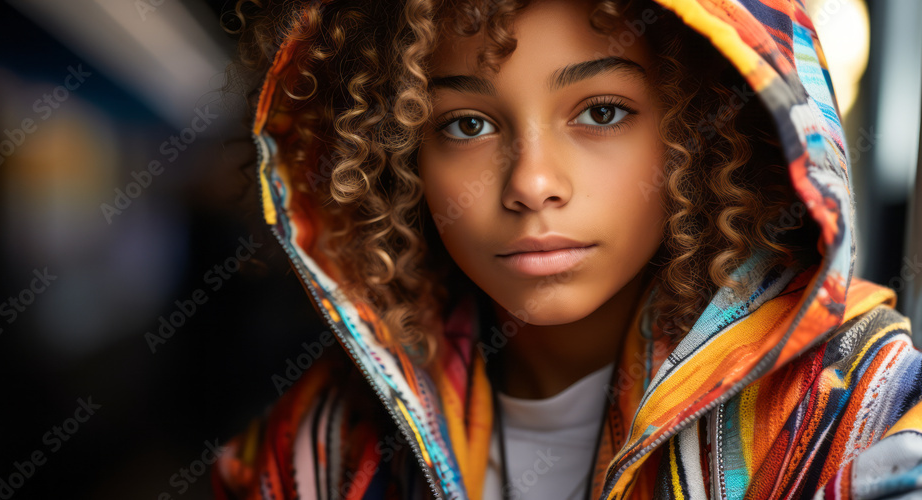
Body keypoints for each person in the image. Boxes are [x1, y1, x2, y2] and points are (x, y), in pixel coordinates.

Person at [213, 0, 922, 498]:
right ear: (393, 159)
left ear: (708, 131)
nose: (532, 183)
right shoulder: (317, 443)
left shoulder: (862, 411)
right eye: (465, 125)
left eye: (602, 112)